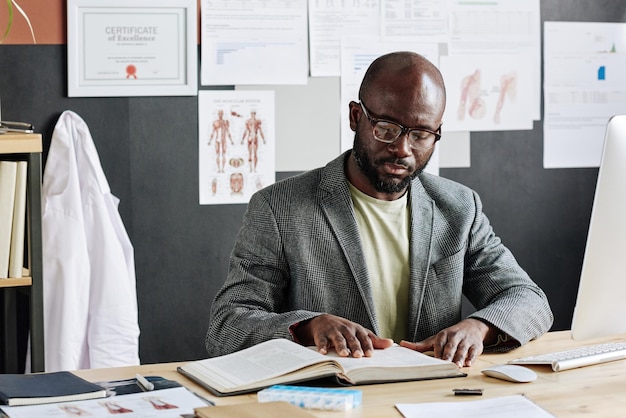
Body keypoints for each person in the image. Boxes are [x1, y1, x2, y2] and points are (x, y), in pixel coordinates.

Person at [206, 51, 553, 367]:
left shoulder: (460, 208)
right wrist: (308, 326)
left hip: (432, 398)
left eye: (420, 134)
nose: (402, 149)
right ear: (356, 116)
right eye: (387, 128)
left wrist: (479, 328)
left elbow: (528, 299)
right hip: (331, 400)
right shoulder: (280, 208)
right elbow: (226, 326)